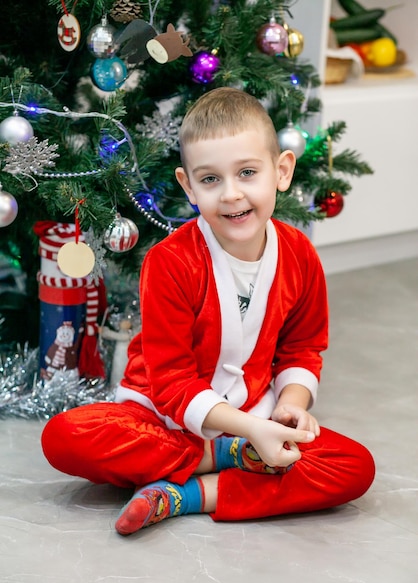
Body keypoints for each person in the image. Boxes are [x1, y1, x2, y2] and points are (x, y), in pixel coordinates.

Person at [41, 87, 375, 535]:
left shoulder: (299, 255)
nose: (231, 194)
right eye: (211, 179)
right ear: (188, 186)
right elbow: (173, 382)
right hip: (160, 417)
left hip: (255, 416)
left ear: (282, 171)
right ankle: (226, 458)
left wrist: (289, 408)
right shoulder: (170, 262)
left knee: (354, 466)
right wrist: (241, 438)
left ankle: (186, 494)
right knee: (65, 437)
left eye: (248, 173)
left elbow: (303, 347)